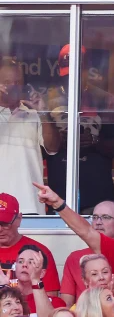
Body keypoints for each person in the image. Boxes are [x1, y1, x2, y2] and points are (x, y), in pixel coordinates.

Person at [46, 44, 114, 215]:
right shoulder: (47, 102)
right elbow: (42, 150)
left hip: (97, 195)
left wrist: (94, 142)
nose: (72, 79)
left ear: (87, 69)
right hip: (59, 195)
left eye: (77, 72)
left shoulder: (106, 101)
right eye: (67, 74)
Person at [0, 59, 61, 215]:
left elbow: (53, 148)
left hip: (30, 203)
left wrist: (43, 112)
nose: (13, 86)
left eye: (17, 82)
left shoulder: (34, 114)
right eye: (7, 82)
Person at [60, 200, 114, 307]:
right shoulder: (75, 258)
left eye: (105, 217)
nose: (98, 222)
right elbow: (66, 305)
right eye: (95, 217)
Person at [0, 193, 60, 296]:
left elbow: (51, 300)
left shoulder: (38, 252)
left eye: (5, 224)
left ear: (19, 219)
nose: (0, 229)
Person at [10, 245, 65, 317]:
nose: (24, 265)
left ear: (42, 273)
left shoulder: (55, 303)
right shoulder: (5, 300)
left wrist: (35, 280)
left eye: (31, 262)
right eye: (20, 261)